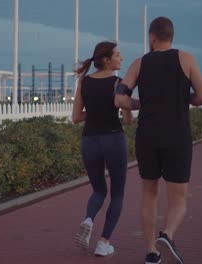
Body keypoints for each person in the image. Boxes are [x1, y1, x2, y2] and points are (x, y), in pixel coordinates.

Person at [114, 17, 202, 264]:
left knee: (149, 193)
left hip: (147, 135)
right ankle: (166, 235)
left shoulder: (139, 63)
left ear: (152, 37)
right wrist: (183, 97)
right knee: (178, 197)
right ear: (171, 36)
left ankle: (151, 253)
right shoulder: (186, 59)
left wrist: (139, 103)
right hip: (177, 134)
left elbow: (120, 99)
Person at [72, 41, 133, 257]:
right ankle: (103, 242)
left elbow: (76, 117)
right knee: (117, 194)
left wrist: (95, 111)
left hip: (90, 141)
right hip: (113, 139)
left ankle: (88, 219)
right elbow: (127, 119)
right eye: (118, 54)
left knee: (98, 190)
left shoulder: (85, 82)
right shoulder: (119, 82)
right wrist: (125, 109)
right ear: (107, 60)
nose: (121, 58)